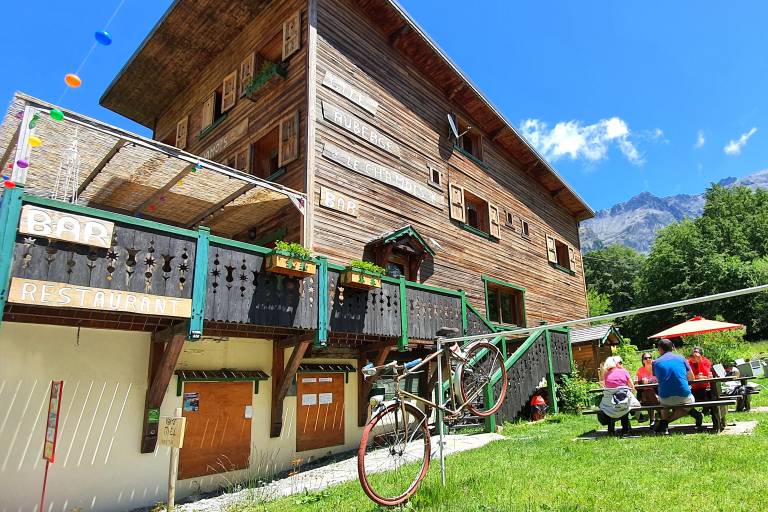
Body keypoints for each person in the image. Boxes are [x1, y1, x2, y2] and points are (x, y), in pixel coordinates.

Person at [652, 338, 704, 434]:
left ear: (660, 349)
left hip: (665, 397)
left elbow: (658, 380)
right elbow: (692, 378)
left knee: (665, 405)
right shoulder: (681, 359)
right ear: (672, 347)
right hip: (684, 395)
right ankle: (696, 415)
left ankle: (664, 425)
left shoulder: (655, 363)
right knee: (685, 407)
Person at [598, 356, 639, 436]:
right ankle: (625, 430)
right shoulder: (623, 371)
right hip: (624, 403)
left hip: (610, 406)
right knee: (624, 403)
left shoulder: (606, 374)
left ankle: (611, 431)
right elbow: (632, 386)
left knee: (615, 404)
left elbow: (606, 387)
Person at [635, 352, 659, 426]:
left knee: (649, 393)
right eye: (645, 358)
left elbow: (661, 381)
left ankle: (652, 420)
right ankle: (656, 418)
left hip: (657, 392)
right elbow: (636, 384)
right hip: (644, 394)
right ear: (643, 361)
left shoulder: (656, 369)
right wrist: (642, 382)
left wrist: (651, 382)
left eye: (649, 358)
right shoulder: (640, 370)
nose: (648, 359)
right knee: (648, 392)